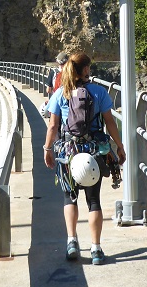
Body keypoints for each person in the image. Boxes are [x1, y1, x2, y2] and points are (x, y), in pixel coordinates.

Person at [43, 52, 126, 265]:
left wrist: (47, 149)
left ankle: (72, 242)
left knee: (69, 198)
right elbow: (110, 122)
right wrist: (119, 146)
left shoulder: (61, 93)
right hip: (93, 151)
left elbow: (53, 126)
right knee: (94, 200)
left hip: (67, 152)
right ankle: (96, 249)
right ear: (86, 69)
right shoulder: (99, 92)